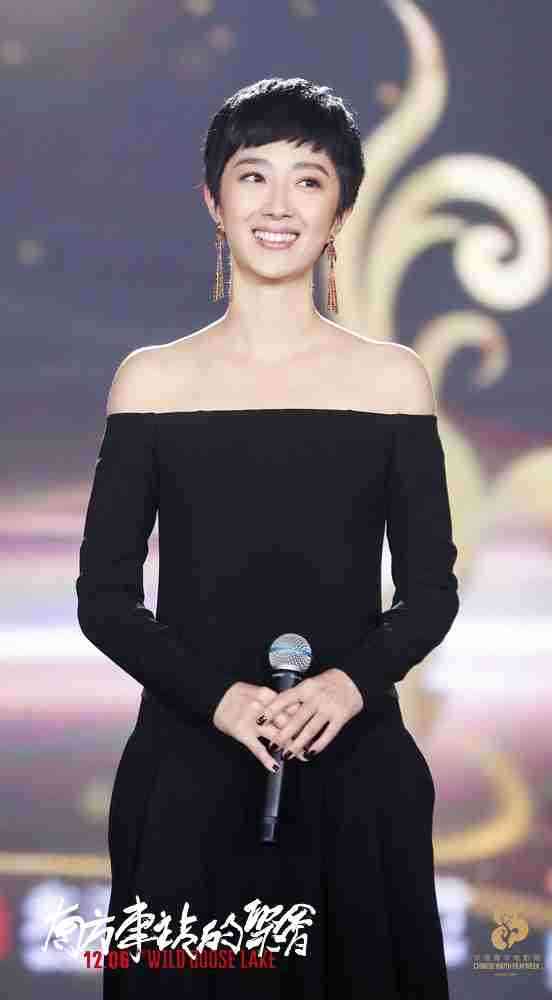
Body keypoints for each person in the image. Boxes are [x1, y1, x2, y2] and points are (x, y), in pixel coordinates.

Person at [76, 77, 459, 999]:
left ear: (341, 212)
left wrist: (346, 685)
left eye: (309, 180)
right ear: (215, 202)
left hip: (354, 769)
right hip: (188, 770)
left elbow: (431, 593)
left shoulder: (393, 381)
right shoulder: (152, 381)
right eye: (253, 176)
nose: (278, 205)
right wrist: (221, 701)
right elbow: (106, 600)